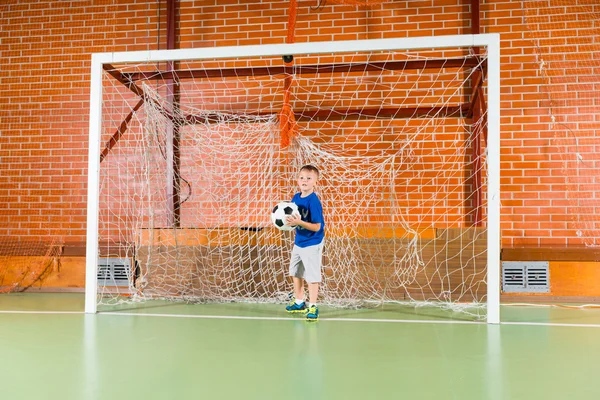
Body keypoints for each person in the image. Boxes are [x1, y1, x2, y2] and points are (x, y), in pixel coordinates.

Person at [284, 164, 325, 321]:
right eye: (302, 178)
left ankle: (313, 306)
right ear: (297, 180)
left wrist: (300, 222)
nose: (304, 181)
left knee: (312, 275)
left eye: (309, 178)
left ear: (316, 182)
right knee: (295, 271)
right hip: (299, 242)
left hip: (312, 243)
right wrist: (288, 222)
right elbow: (294, 220)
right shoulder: (295, 197)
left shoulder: (313, 201)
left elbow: (317, 226)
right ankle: (300, 301)